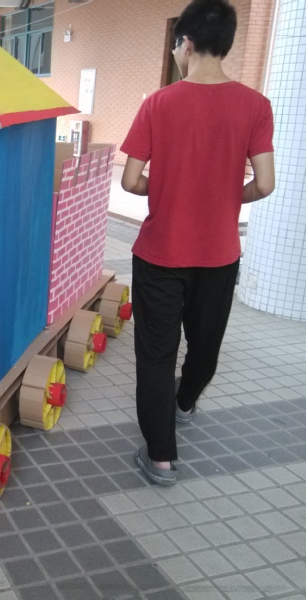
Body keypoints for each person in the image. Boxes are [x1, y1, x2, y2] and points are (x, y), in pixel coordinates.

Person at [120, 0, 275, 486]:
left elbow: (129, 180)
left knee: (156, 355)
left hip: (160, 255)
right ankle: (185, 402)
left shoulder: (158, 103)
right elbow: (265, 184)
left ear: (185, 43)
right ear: (224, 43)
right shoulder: (255, 106)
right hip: (219, 257)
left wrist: (167, 188)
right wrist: (227, 195)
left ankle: (161, 459)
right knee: (205, 345)